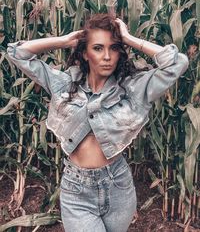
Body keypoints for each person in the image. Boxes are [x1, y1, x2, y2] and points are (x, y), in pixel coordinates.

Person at [7, 14, 189, 232]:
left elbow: (178, 63)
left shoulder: (133, 89)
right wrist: (64, 41)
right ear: (85, 53)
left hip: (118, 186)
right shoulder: (64, 85)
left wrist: (129, 39)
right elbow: (17, 53)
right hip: (76, 190)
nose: (107, 56)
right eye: (98, 48)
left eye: (113, 48)